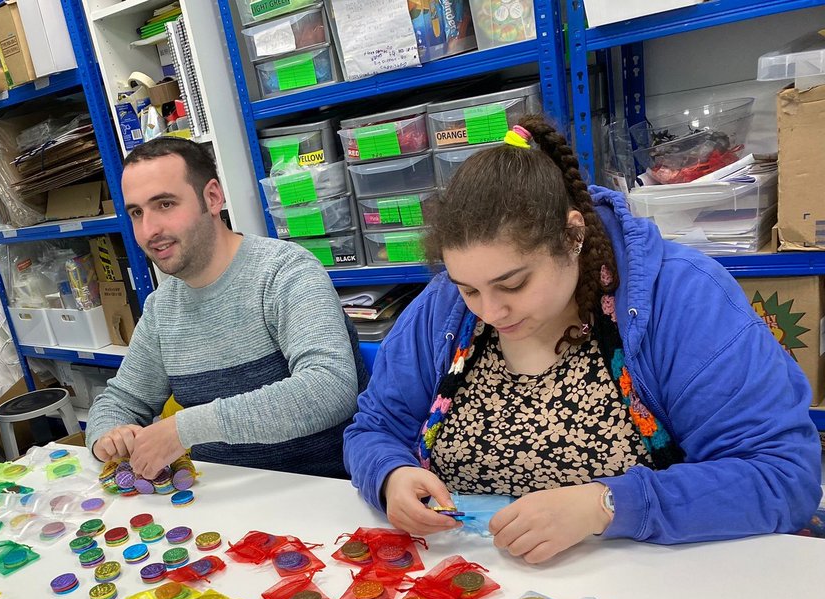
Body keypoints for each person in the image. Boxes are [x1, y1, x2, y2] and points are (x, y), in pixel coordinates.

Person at [345, 116, 821, 562]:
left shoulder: (681, 297)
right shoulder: (442, 307)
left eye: (513, 285)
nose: (490, 312)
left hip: (651, 583)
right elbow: (374, 427)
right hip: (468, 577)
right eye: (469, 289)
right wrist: (390, 474)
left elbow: (783, 476)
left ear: (572, 237)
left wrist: (608, 505)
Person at [85, 137, 367, 479]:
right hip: (216, 497)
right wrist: (107, 435)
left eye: (165, 205)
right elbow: (122, 399)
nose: (149, 230)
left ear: (212, 197)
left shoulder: (285, 272)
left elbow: (329, 388)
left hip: (318, 490)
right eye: (136, 213)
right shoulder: (162, 307)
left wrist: (183, 429)